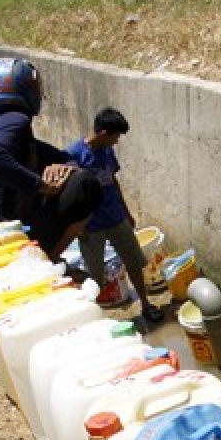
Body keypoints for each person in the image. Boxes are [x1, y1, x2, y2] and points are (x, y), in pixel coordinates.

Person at [0, 57, 102, 260]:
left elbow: (64, 157)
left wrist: (61, 166)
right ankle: (48, 260)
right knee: (86, 186)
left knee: (75, 177)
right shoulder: (16, 120)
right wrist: (41, 185)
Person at [64, 108, 164, 323]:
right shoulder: (74, 155)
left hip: (116, 218)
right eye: (115, 136)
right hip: (91, 226)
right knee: (94, 277)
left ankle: (146, 305)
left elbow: (114, 182)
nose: (116, 141)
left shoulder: (107, 150)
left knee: (134, 263)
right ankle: (97, 320)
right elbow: (68, 194)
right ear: (101, 132)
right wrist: (76, 226)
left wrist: (126, 211)